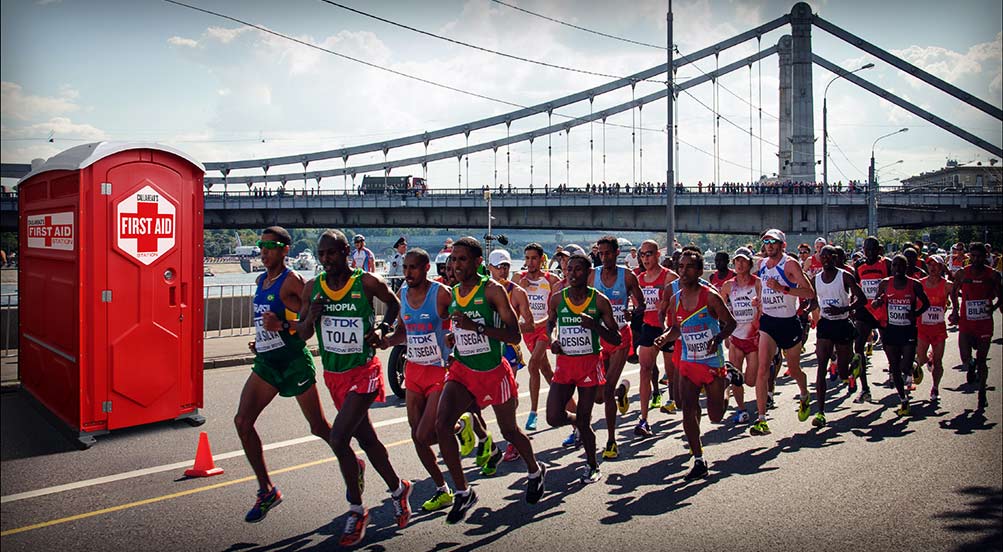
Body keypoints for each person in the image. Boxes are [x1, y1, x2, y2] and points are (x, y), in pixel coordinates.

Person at [296, 230, 410, 547]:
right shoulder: (312, 288)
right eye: (321, 254)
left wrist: (383, 327)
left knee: (338, 437)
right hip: (334, 374)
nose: (325, 260)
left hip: (364, 371)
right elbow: (303, 333)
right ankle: (399, 489)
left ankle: (357, 509)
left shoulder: (365, 282)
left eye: (331, 253)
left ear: (346, 252)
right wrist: (311, 319)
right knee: (368, 440)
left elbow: (394, 303)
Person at [435, 237, 545, 525]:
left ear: (477, 262)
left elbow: (514, 335)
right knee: (442, 424)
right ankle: (462, 491)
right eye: (453, 260)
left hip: (495, 372)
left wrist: (477, 328)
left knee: (510, 431)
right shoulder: (455, 291)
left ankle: (535, 471)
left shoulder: (492, 290)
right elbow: (461, 327)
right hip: (463, 370)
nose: (455, 265)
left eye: (462, 259)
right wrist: (455, 336)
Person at [236, 227, 331, 523]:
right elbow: (268, 318)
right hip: (267, 362)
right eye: (261, 246)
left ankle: (352, 462)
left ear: (285, 249)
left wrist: (281, 328)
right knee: (242, 421)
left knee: (319, 427)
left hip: (293, 361)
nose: (263, 251)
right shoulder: (261, 280)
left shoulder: (293, 282)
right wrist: (261, 338)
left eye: (270, 246)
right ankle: (267, 490)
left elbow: (306, 326)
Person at [379, 247, 456, 513]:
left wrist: (455, 347)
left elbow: (459, 321)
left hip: (438, 370)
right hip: (413, 371)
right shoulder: (402, 293)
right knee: (417, 436)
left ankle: (456, 427)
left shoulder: (441, 294)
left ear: (425, 268)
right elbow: (403, 332)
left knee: (424, 434)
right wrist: (388, 341)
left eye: (413, 268)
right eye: (405, 268)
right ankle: (441, 489)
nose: (408, 273)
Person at [654, 250, 738, 480]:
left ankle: (728, 381)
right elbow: (676, 328)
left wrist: (718, 339)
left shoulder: (710, 297)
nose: (683, 271)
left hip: (712, 362)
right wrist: (665, 337)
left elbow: (731, 323)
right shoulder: (675, 299)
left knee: (716, 416)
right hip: (688, 361)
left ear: (699, 271)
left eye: (689, 267)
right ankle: (699, 459)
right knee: (687, 410)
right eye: (680, 266)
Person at [547, 252, 622, 483]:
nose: (572, 273)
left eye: (578, 269)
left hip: (589, 365)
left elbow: (617, 338)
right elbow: (551, 323)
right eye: (569, 269)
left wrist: (595, 327)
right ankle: (575, 422)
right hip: (565, 366)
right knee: (552, 417)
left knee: (585, 418)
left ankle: (592, 465)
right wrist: (553, 340)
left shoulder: (599, 300)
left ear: (588, 273)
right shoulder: (558, 299)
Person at [749, 229, 816, 436]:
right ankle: (761, 419)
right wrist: (758, 300)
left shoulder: (790, 264)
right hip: (769, 322)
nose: (769, 245)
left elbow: (809, 292)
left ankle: (804, 395)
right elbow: (761, 286)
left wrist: (783, 289)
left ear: (782, 245)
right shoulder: (761, 264)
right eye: (766, 242)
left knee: (794, 369)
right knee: (763, 369)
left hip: (789, 323)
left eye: (773, 242)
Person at [589, 235, 644, 459]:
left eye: (608, 253)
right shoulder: (593, 275)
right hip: (599, 337)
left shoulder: (627, 275)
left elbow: (642, 304)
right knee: (599, 396)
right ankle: (623, 391)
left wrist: (632, 312)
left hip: (620, 336)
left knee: (607, 391)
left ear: (617, 252)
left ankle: (611, 441)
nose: (604, 257)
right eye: (601, 254)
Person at [807, 245, 865, 427]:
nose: (824, 260)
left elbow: (862, 299)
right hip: (825, 324)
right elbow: (815, 299)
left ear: (835, 257)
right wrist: (808, 308)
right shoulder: (816, 279)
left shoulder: (844, 276)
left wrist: (845, 309)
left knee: (842, 373)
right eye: (821, 257)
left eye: (828, 256)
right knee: (821, 366)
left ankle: (855, 362)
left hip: (842, 323)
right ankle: (821, 413)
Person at [485, 249, 533, 463]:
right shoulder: (482, 290)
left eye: (505, 266)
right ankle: (483, 438)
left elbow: (529, 323)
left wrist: (509, 327)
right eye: (498, 266)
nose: (503, 270)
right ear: (489, 268)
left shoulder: (517, 292)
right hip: (486, 347)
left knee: (508, 396)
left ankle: (513, 440)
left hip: (509, 348)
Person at [872, 255, 930, 417]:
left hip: (908, 330)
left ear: (906, 267)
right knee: (894, 366)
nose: (897, 268)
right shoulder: (885, 283)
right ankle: (904, 400)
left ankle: (913, 367)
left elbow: (926, 303)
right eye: (895, 265)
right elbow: (878, 298)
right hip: (891, 330)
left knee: (905, 367)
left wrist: (916, 313)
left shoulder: (914, 285)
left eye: (901, 266)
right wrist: (877, 302)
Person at [632, 240, 677, 436]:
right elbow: (637, 306)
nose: (645, 258)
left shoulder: (669, 277)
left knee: (671, 369)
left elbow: (681, 303)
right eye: (642, 255)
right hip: (649, 327)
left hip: (669, 329)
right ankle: (643, 419)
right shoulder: (639, 279)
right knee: (645, 369)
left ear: (657, 255)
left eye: (649, 254)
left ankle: (674, 399)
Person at [949, 242, 1001, 410]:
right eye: (973, 256)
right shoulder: (963, 273)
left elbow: (1001, 296)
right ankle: (970, 365)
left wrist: (992, 308)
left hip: (984, 323)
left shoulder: (993, 275)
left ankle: (982, 393)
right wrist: (955, 310)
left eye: (980, 256)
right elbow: (953, 291)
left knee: (982, 360)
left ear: (985, 256)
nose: (976, 259)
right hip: (966, 321)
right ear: (969, 256)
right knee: (965, 357)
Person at [516, 243, 560, 431]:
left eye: (533, 258)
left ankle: (533, 413)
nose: (529, 262)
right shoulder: (519, 278)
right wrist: (520, 287)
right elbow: (512, 304)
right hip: (527, 331)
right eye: (527, 258)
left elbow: (554, 310)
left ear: (541, 260)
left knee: (533, 364)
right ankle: (564, 401)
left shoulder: (551, 279)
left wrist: (541, 324)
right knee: (546, 371)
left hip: (544, 329)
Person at [719, 247, 761, 424]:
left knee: (750, 380)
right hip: (736, 338)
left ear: (750, 263)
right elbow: (719, 309)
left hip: (754, 338)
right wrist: (725, 332)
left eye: (743, 261)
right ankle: (742, 409)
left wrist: (759, 305)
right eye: (737, 261)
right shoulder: (728, 286)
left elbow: (766, 307)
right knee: (737, 378)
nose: (740, 264)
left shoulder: (757, 283)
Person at [851, 236, 891, 404]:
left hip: (883, 309)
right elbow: (856, 287)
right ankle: (865, 388)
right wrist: (852, 305)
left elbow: (893, 284)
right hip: (865, 310)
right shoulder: (859, 265)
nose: (870, 253)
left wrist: (883, 297)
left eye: (873, 249)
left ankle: (894, 371)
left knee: (889, 346)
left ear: (879, 250)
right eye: (867, 250)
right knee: (858, 348)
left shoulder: (886, 264)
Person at [917, 255, 953, 401]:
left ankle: (935, 388)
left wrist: (955, 313)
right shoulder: (919, 284)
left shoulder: (947, 285)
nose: (932, 268)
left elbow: (956, 301)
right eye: (930, 265)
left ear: (941, 267)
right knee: (921, 359)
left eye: (936, 265)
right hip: (922, 328)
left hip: (938, 329)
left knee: (938, 362)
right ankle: (928, 361)